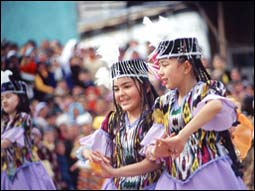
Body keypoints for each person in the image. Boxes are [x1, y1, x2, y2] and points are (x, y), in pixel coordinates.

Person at [95, 37, 247, 190]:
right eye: (159, 66)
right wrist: (158, 150)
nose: (160, 72)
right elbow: (157, 144)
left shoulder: (205, 90)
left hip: (208, 172)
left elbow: (214, 105)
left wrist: (182, 136)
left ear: (186, 67)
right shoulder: (164, 103)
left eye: (164, 65)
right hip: (173, 180)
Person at [76, 58, 162, 190]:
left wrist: (115, 172)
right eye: (116, 89)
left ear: (146, 87)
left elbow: (154, 163)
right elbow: (86, 150)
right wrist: (89, 153)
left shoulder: (156, 118)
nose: (121, 94)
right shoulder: (113, 120)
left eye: (127, 86)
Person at [1, 70, 56, 190]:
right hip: (7, 172)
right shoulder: (4, 123)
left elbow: (5, 142)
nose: (4, 101)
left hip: (25, 172)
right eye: (1, 98)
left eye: (8, 96)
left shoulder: (23, 118)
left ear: (20, 98)